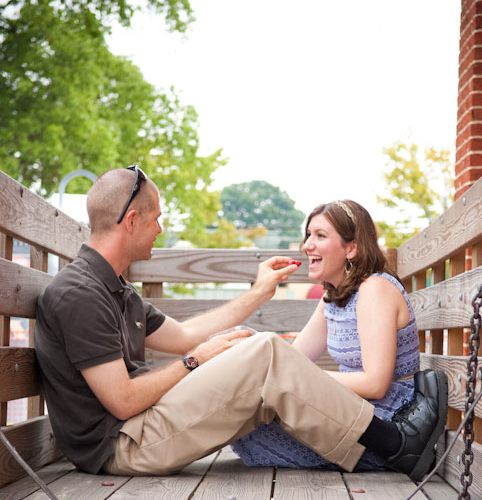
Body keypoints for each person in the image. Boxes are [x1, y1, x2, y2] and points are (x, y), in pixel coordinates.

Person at [34, 167, 446, 482]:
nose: (161, 229)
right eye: (156, 219)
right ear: (131, 221)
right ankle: (392, 443)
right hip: (124, 443)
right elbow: (124, 400)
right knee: (266, 355)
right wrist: (198, 361)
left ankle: (387, 443)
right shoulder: (81, 294)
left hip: (141, 426)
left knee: (263, 353)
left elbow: (184, 336)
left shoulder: (115, 289)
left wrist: (256, 296)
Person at [231, 199, 447, 481]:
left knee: (247, 427)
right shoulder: (333, 297)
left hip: (387, 422)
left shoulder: (374, 289)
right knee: (242, 414)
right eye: (308, 235)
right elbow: (294, 359)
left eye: (320, 236)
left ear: (352, 248)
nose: (307, 245)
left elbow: (375, 383)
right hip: (346, 407)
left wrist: (299, 379)